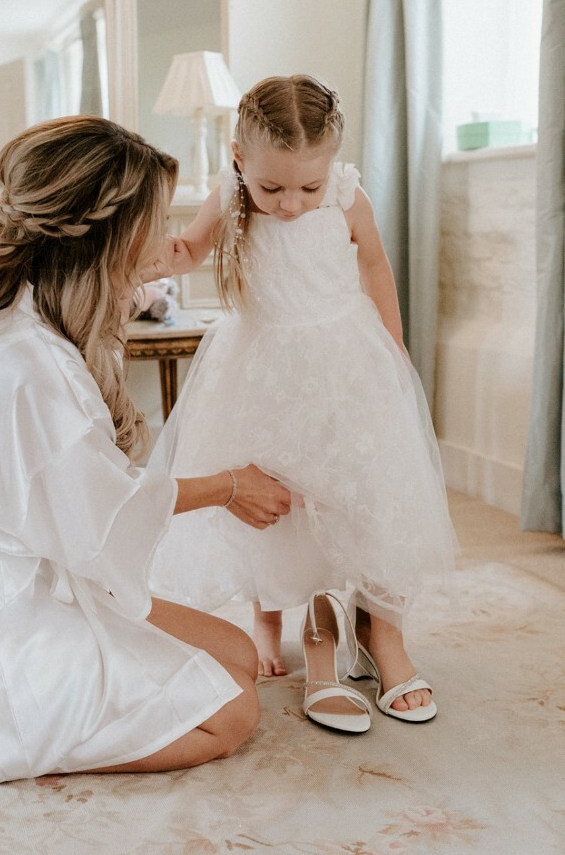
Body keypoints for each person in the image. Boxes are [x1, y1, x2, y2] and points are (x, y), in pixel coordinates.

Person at [0, 115, 292, 784]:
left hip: (34, 559)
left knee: (235, 652)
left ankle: (55, 706)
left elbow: (94, 507)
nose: (163, 242)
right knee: (229, 714)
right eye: (152, 221)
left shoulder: (35, 321)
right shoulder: (27, 364)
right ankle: (17, 735)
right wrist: (229, 486)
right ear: (102, 236)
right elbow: (107, 513)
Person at [145, 75, 458, 731]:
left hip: (344, 365)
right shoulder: (229, 197)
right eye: (273, 188)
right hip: (262, 371)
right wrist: (149, 255)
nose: (290, 205)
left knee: (369, 494)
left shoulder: (347, 197)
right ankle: (284, 628)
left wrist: (394, 350)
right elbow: (188, 250)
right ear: (239, 160)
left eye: (307, 188)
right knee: (280, 504)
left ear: (331, 171)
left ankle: (385, 639)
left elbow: (375, 267)